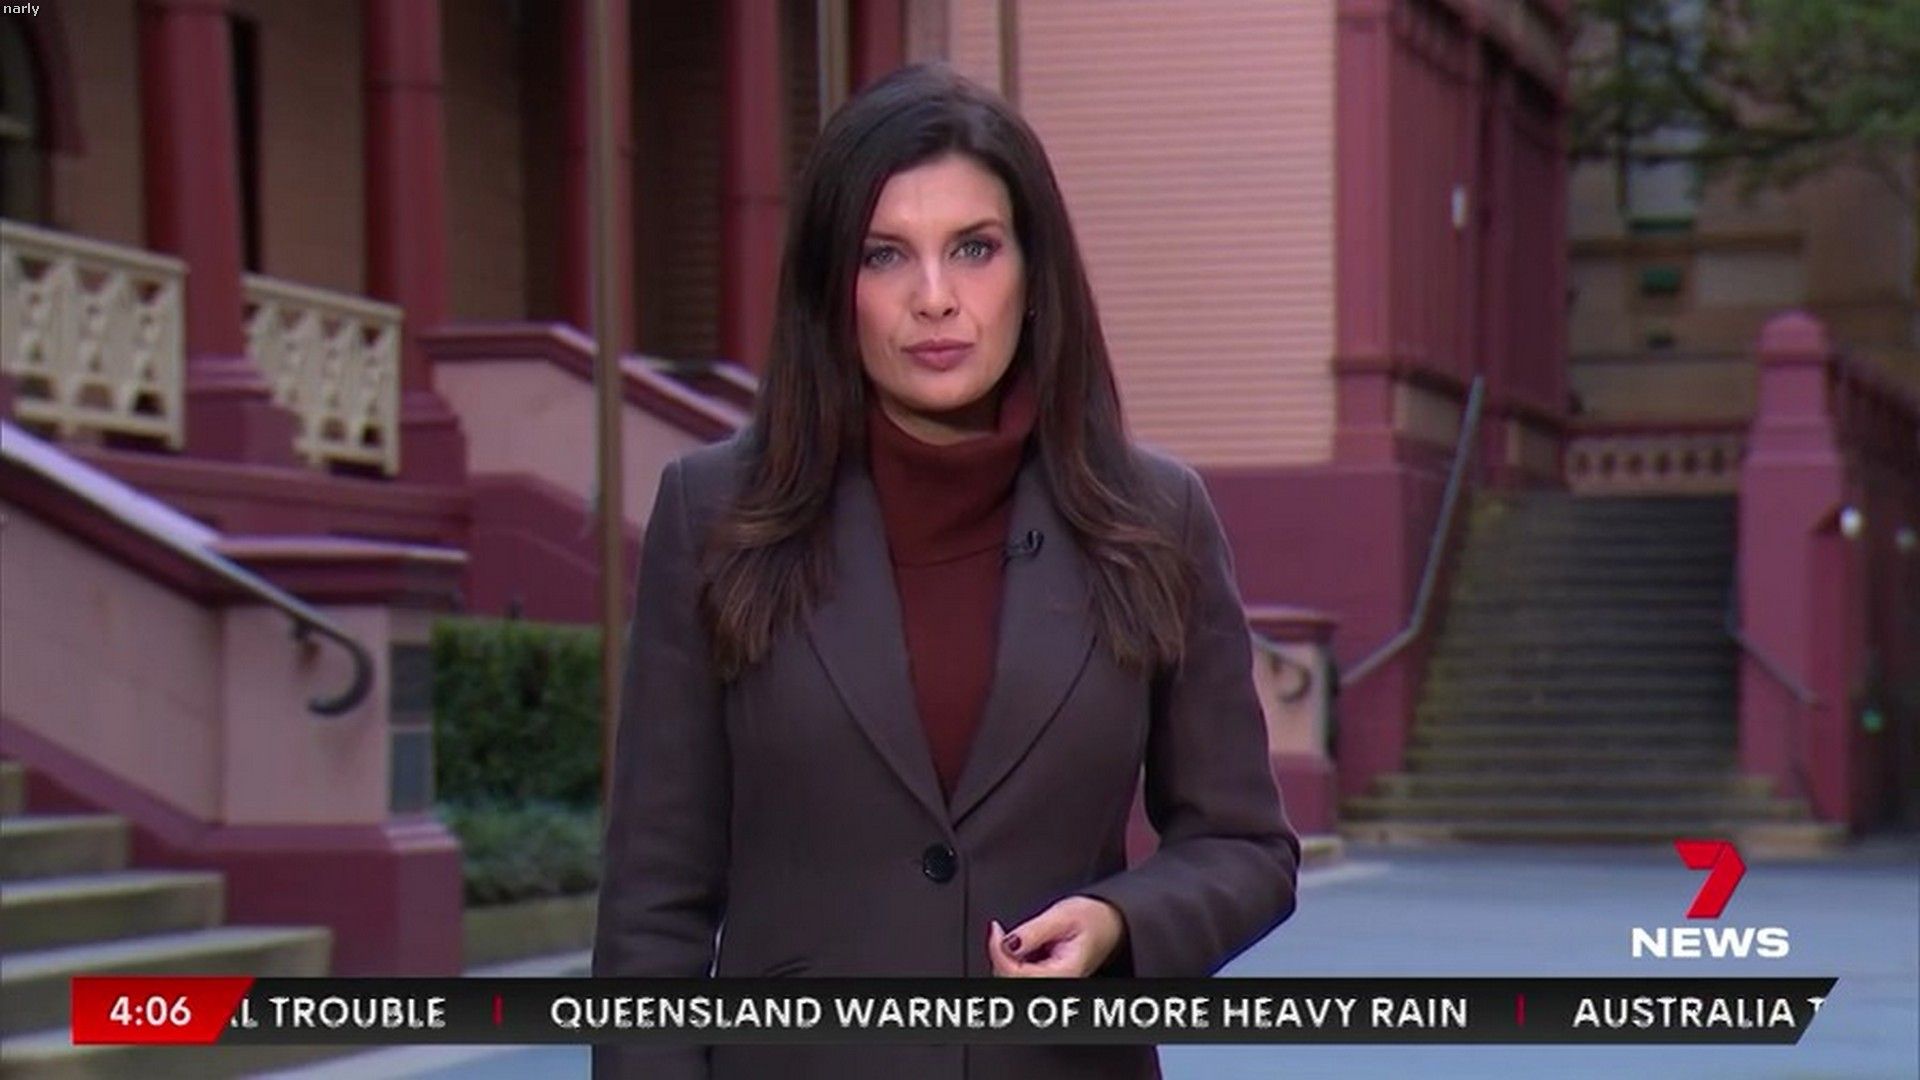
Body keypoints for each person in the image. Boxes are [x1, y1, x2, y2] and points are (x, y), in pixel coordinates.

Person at [593, 62, 1299, 1080]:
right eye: (885, 256)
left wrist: (1118, 922)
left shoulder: (1153, 518)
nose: (935, 299)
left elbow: (1245, 848)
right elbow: (653, 906)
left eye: (974, 248)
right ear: (833, 289)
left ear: (1033, 273)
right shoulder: (716, 514)